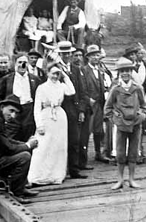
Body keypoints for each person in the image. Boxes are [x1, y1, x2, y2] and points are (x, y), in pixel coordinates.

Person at [28, 65, 76, 185]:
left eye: (57, 74)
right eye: (53, 73)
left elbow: (72, 91)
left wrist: (64, 76)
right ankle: (37, 176)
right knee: (43, 146)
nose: (55, 76)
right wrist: (39, 124)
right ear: (47, 73)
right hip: (46, 117)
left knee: (58, 146)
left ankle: (56, 175)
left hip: (59, 117)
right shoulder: (42, 87)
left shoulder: (61, 86)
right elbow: (37, 108)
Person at [104, 58, 146, 190]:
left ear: (131, 72)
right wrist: (116, 119)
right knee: (120, 152)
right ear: (119, 73)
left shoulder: (137, 88)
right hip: (121, 125)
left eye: (128, 71)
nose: (125, 74)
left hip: (135, 124)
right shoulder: (116, 89)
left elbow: (144, 105)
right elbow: (108, 109)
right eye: (122, 71)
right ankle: (120, 180)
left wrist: (140, 115)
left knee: (133, 151)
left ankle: (132, 179)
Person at [56, 41, 89, 177]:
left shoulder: (76, 69)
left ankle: (74, 170)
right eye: (63, 53)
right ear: (60, 54)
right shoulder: (55, 68)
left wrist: (81, 110)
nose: (67, 56)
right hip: (59, 108)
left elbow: (82, 92)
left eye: (68, 53)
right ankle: (60, 170)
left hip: (74, 109)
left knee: (75, 140)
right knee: (59, 140)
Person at [0, 53, 42, 142]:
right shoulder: (7, 79)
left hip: (28, 114)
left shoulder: (35, 80)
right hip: (13, 113)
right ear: (15, 63)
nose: (22, 65)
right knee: (10, 140)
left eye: (25, 62)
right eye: (20, 62)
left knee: (28, 140)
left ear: (28, 64)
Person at [81, 44, 109, 163]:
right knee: (87, 131)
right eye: (92, 56)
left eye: (97, 55)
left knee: (99, 131)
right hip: (90, 105)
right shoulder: (84, 70)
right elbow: (81, 88)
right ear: (88, 57)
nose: (95, 58)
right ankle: (83, 156)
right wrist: (88, 99)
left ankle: (99, 153)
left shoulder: (101, 70)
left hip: (100, 103)